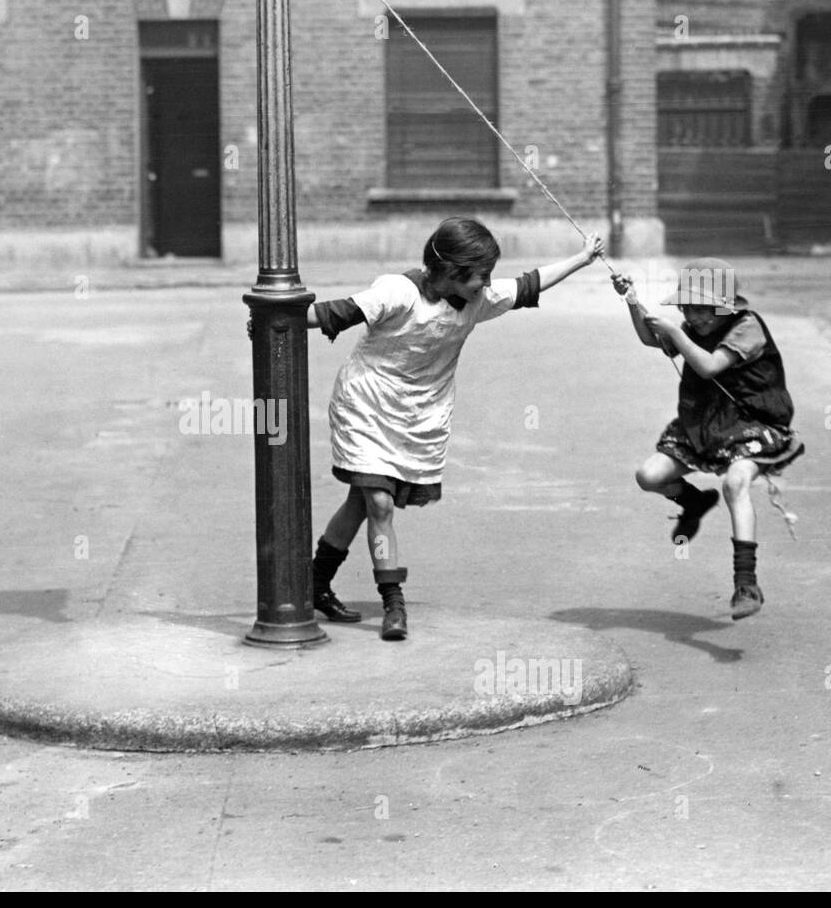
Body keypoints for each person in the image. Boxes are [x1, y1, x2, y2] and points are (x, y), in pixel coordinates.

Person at [306, 217, 604, 640]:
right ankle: (393, 601)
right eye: (480, 275)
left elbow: (530, 284)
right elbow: (336, 313)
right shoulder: (398, 291)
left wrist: (584, 257)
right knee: (380, 503)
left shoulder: (476, 299)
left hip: (418, 416)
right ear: (451, 271)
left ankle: (315, 584)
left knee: (364, 501)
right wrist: (274, 320)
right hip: (367, 405)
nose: (487, 283)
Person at [618, 257, 804, 619]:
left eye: (706, 310)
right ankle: (694, 503)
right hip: (705, 423)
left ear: (726, 307)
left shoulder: (747, 327)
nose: (697, 317)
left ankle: (746, 583)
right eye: (689, 308)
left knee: (736, 483)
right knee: (649, 476)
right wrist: (631, 300)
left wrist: (675, 332)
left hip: (753, 423)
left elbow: (708, 366)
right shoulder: (694, 327)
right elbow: (649, 338)